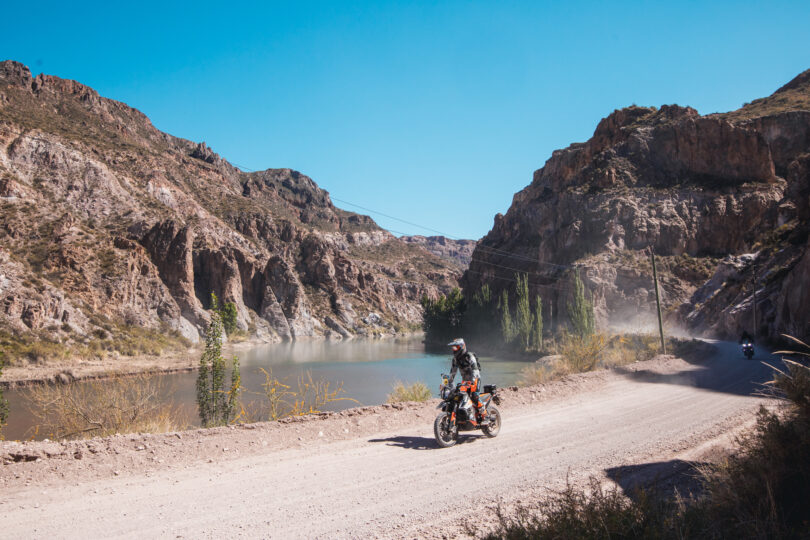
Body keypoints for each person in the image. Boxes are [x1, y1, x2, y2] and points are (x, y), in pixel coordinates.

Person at [446, 338, 488, 424]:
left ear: (461, 347)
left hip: (475, 379)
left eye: (456, 347)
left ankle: (485, 416)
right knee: (458, 396)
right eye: (453, 348)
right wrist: (448, 382)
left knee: (474, 396)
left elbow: (475, 370)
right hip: (465, 381)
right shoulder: (455, 359)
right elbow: (453, 372)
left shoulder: (469, 357)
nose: (454, 350)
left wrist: (472, 381)